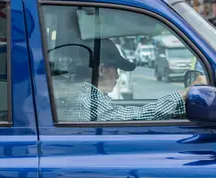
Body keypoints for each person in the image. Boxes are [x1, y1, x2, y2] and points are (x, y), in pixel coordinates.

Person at [75, 39, 206, 122]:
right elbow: (138, 116)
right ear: (102, 70)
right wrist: (186, 92)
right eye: (116, 69)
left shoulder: (89, 97)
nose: (118, 76)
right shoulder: (88, 101)